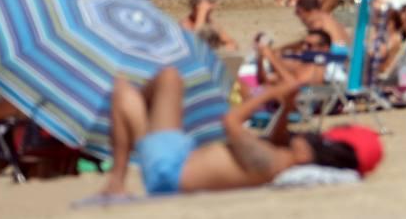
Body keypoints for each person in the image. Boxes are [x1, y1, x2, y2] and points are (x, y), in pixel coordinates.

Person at [97, 68, 380, 199]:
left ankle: (118, 180)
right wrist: (288, 104)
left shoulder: (270, 163)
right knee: (169, 77)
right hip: (181, 154)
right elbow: (280, 135)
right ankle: (139, 124)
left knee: (123, 91)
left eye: (313, 141)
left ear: (307, 155)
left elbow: (231, 121)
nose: (304, 137)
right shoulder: (282, 154)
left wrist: (273, 93)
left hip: (167, 172)